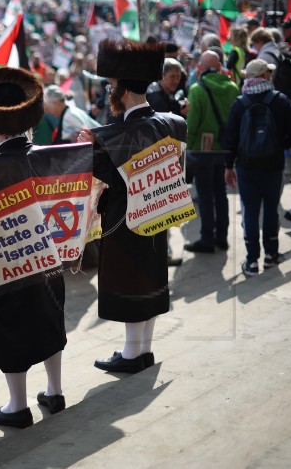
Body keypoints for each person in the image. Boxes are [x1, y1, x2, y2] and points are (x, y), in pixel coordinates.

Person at [0, 67, 66, 429]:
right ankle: (55, 390)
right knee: (51, 317)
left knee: (10, 328)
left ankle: (17, 406)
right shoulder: (53, 156)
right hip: (50, 259)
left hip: (1, 265)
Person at [78, 39, 187, 374]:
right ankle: (143, 351)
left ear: (122, 90)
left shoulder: (111, 134)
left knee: (131, 283)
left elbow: (106, 176)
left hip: (123, 220)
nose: (109, 91)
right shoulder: (173, 122)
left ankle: (130, 355)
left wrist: (88, 148)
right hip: (160, 212)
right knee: (152, 277)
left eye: (111, 85)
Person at [223, 60, 291, 276]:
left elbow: (229, 138)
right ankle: (271, 255)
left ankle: (251, 261)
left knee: (250, 211)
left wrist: (228, 166)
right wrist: (280, 145)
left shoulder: (240, 103)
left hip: (247, 167)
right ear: (266, 76)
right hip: (273, 165)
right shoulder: (280, 100)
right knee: (270, 210)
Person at [184, 50, 240, 253]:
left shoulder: (197, 90)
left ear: (200, 68)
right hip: (226, 148)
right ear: (219, 67)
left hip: (202, 150)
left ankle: (207, 238)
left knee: (206, 196)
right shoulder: (233, 87)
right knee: (221, 193)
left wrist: (188, 145)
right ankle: (222, 237)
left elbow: (192, 123)